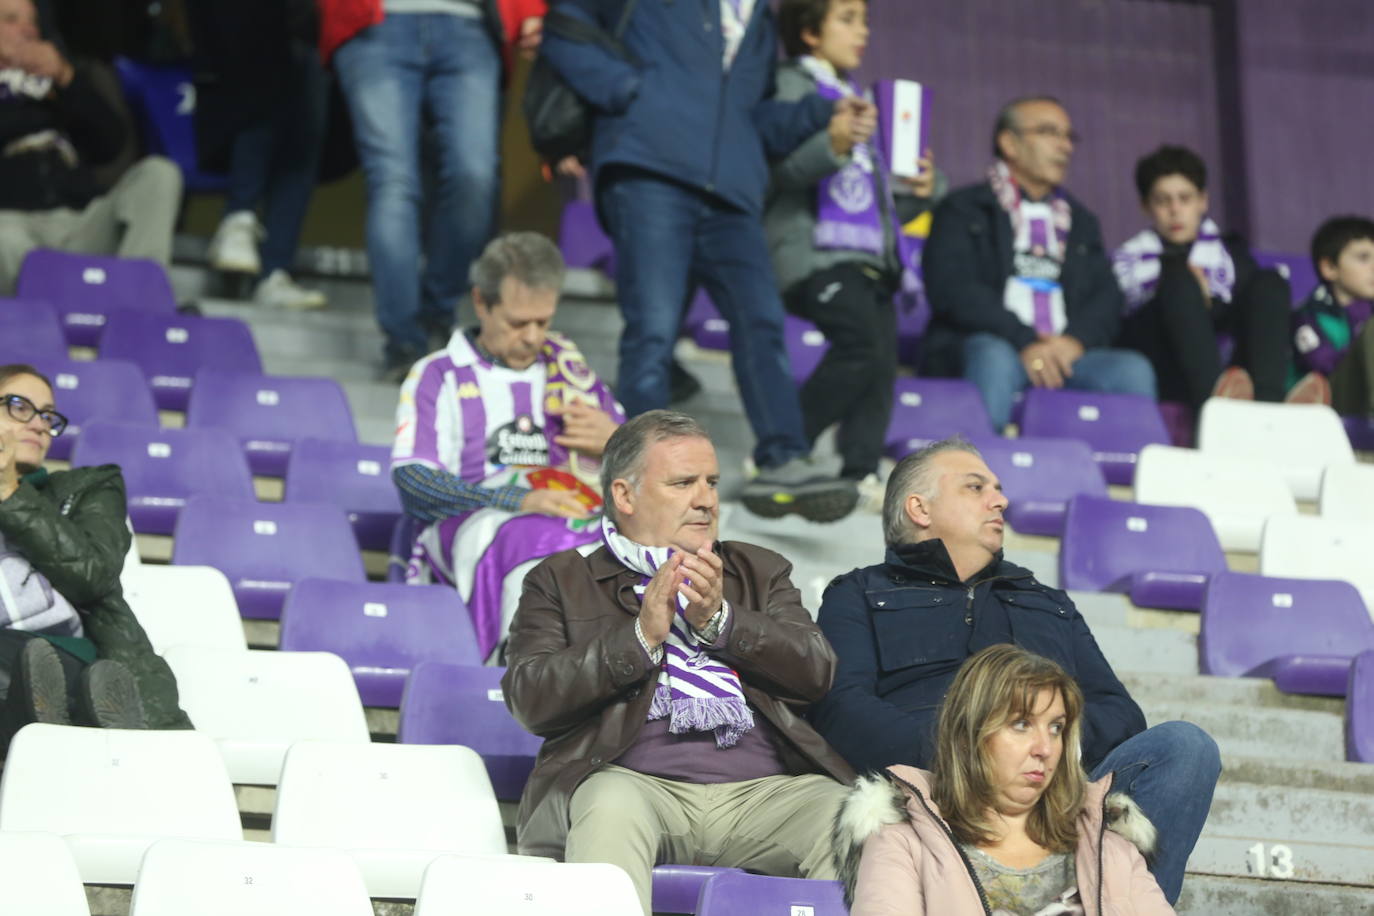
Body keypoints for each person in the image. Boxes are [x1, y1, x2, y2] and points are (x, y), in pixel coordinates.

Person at [811, 438, 1218, 904]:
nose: (1000, 499)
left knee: (1186, 748)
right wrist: (968, 755)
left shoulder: (1046, 601)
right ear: (919, 508)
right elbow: (841, 705)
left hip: (1051, 791)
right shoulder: (858, 593)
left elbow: (1119, 710)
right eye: (975, 486)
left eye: (998, 489)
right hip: (932, 789)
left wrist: (1046, 745)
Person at [502, 410, 856, 915]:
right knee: (609, 807)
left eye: (711, 482)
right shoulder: (559, 580)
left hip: (764, 795)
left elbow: (815, 672)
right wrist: (640, 637)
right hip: (633, 786)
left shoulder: (759, 569)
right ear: (625, 496)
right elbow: (531, 698)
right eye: (683, 483)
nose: (706, 498)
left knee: (852, 817)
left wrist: (722, 622)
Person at [539, 0, 863, 522]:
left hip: (731, 193)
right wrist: (630, 91)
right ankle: (643, 473)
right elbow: (565, 26)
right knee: (654, 328)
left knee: (761, 319)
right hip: (650, 168)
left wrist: (822, 111)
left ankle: (784, 457)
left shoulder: (757, 17)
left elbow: (753, 117)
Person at [391, 232, 624, 663]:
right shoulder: (437, 375)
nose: (533, 337)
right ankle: (528, 685)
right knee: (538, 540)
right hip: (476, 521)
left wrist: (617, 439)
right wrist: (516, 498)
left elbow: (641, 464)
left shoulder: (570, 372)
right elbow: (414, 483)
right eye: (519, 323)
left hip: (571, 515)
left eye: (543, 321)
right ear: (481, 302)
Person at [765, 0, 946, 510]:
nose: (862, 31)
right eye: (847, 19)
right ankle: (780, 449)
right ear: (808, 32)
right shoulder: (790, 89)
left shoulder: (859, 97)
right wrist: (835, 142)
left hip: (870, 261)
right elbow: (781, 174)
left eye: (863, 20)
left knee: (881, 365)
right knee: (862, 346)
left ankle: (859, 470)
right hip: (814, 254)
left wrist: (923, 188)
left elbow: (874, 198)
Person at [835, 644, 1174, 915]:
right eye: (1022, 724)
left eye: (1056, 728)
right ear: (968, 736)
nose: (1045, 748)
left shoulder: (1108, 847)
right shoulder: (905, 845)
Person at [921, 96, 1155, 430]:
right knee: (993, 358)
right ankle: (975, 472)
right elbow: (953, 289)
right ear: (1009, 143)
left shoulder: (1081, 221)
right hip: (993, 345)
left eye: (1068, 136)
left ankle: (1121, 477)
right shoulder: (965, 209)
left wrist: (1073, 342)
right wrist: (1024, 339)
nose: (1065, 147)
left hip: (1064, 355)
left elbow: (1106, 297)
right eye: (1049, 132)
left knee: (1131, 370)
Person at [324, 0, 527, 380]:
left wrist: (527, 9)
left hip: (470, 25)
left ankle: (437, 315)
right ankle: (404, 341)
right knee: (393, 181)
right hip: (374, 22)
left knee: (475, 176)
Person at [0, 363, 192, 754]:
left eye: (47, 415)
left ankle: (75, 711)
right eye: (19, 407)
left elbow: (92, 574)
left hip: (65, 652)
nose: (38, 424)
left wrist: (9, 491)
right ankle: (65, 726)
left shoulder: (88, 487)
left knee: (37, 665)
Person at [0, 0, 181, 291]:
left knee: (160, 174)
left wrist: (65, 77)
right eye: (12, 20)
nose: (29, 30)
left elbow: (111, 143)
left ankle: (139, 303)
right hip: (11, 223)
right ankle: (37, 326)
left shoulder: (61, 81)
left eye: (33, 21)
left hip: (80, 222)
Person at [1112, 145, 1305, 410]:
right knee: (1179, 281)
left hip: (1235, 369)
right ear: (1146, 206)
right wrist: (1185, 288)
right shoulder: (1128, 263)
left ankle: (1269, 406)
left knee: (1269, 284)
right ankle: (1214, 406)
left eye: (1185, 198)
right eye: (1162, 200)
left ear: (1203, 201)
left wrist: (1207, 299)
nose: (1175, 210)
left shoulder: (1231, 257)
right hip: (1166, 366)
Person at [191, 0, 329, 310]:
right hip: (249, 26)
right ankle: (237, 223)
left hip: (309, 27)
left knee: (304, 141)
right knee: (260, 111)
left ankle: (273, 270)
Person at [1290, 216, 1374, 417]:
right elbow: (1322, 366)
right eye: (1363, 258)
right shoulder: (1307, 315)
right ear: (1329, 268)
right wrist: (1361, 326)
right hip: (1327, 409)